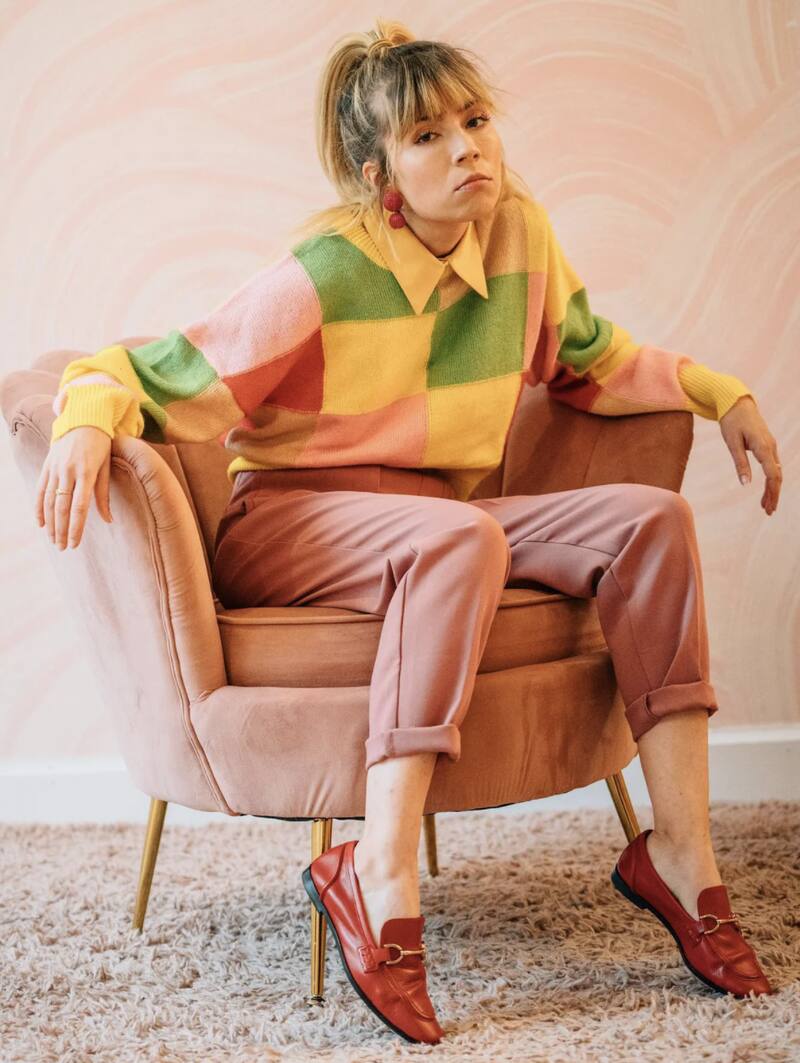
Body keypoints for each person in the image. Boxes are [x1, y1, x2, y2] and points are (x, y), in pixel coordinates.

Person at [35, 18, 783, 1048]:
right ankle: (375, 871)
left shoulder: (520, 234)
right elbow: (153, 370)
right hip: (289, 522)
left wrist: (719, 392)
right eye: (428, 135)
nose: (467, 148)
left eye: (475, 121)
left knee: (651, 522)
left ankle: (680, 853)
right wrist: (84, 419)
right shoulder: (328, 269)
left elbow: (588, 358)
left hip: (439, 519)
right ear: (377, 172)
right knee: (456, 541)